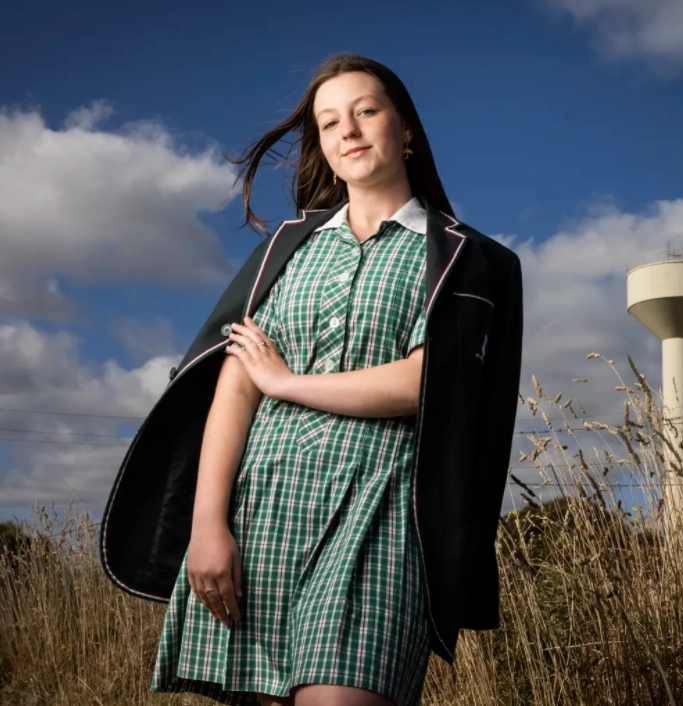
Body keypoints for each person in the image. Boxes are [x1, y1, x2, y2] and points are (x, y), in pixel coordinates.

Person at [99, 52, 523, 706]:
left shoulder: (465, 257)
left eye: (366, 111)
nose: (348, 131)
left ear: (404, 129)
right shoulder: (285, 249)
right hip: (264, 508)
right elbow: (235, 384)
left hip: (382, 512)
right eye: (329, 123)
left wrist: (287, 382)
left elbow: (428, 383)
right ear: (322, 148)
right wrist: (208, 525)